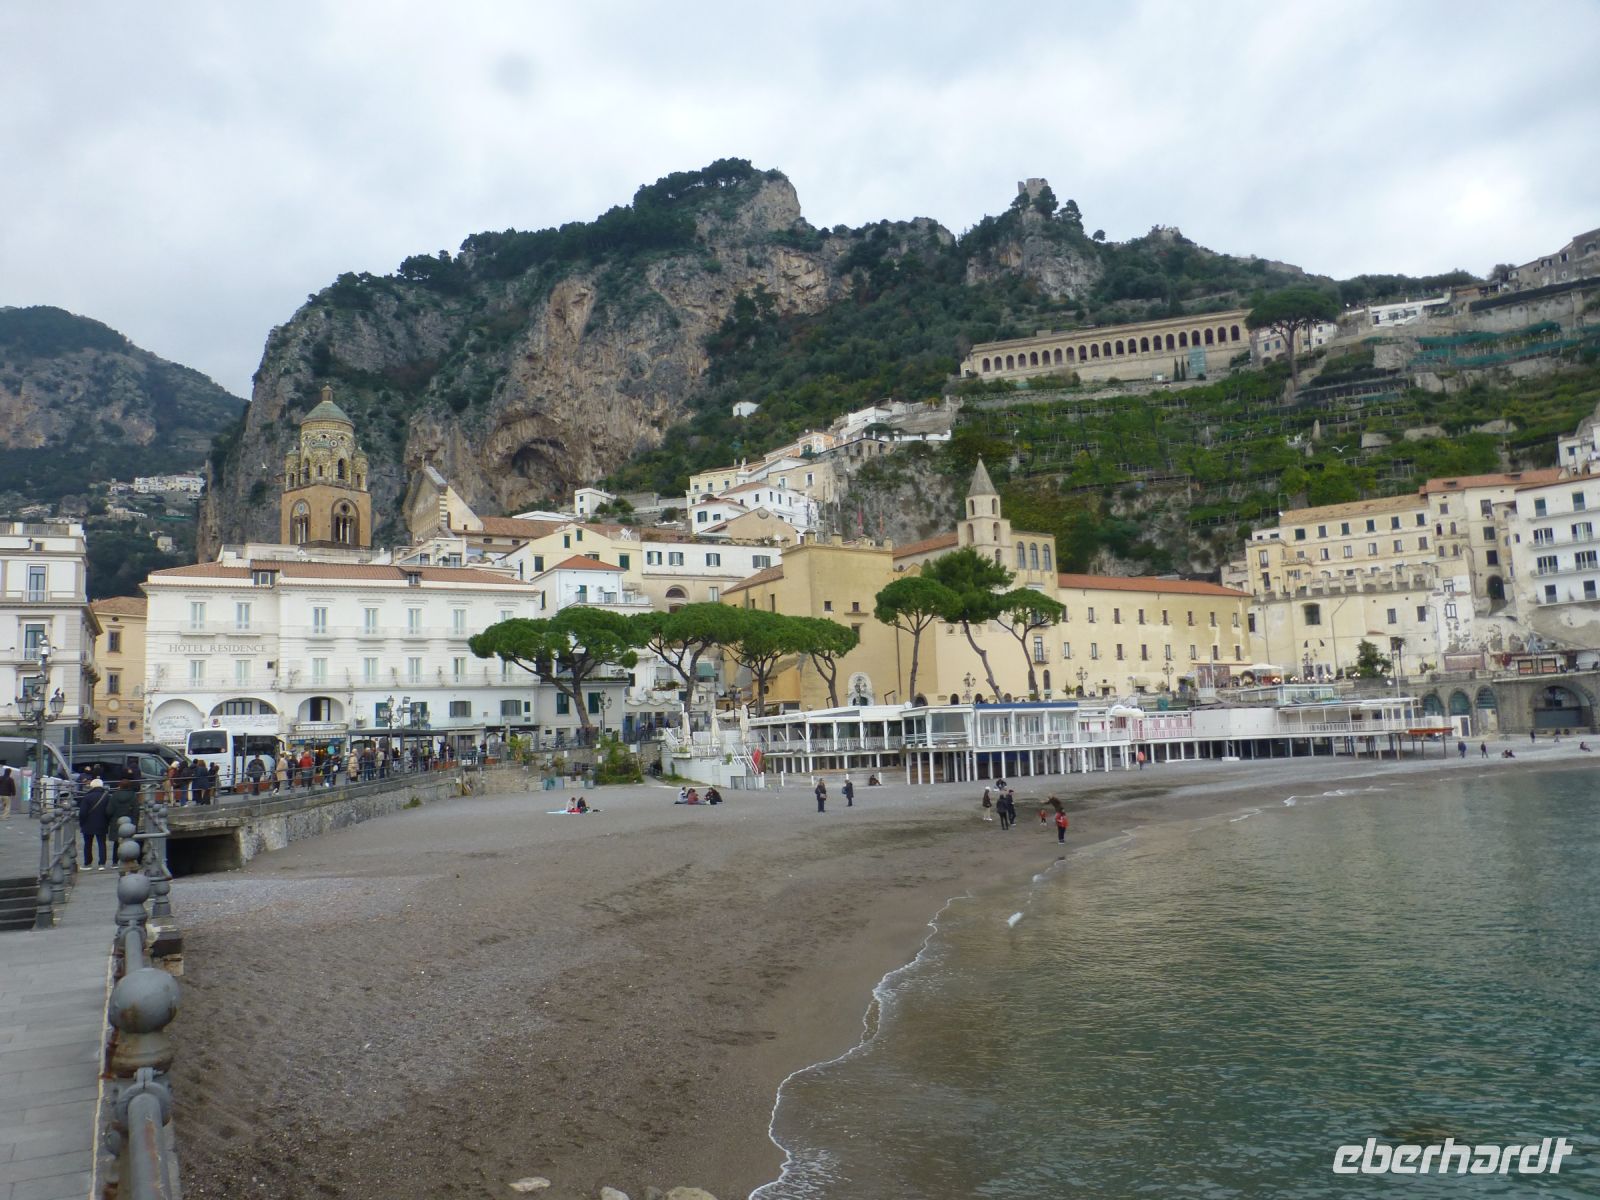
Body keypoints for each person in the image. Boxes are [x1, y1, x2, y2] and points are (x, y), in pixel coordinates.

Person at [78, 777, 110, 869]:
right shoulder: (106, 796)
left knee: (88, 844)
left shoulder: (87, 797)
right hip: (102, 822)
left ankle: (88, 863)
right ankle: (102, 864)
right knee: (102, 843)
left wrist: (82, 823)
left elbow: (83, 813)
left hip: (88, 823)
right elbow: (109, 811)